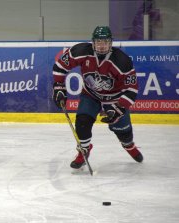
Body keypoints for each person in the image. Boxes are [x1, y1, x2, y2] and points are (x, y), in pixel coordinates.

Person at [52, 26, 143, 169]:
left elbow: (131, 89)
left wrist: (119, 108)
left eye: (105, 42)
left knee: (124, 132)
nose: (102, 46)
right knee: (82, 121)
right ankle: (84, 150)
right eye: (99, 42)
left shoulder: (122, 61)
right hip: (91, 95)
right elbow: (60, 66)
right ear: (93, 42)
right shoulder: (80, 51)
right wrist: (59, 87)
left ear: (111, 43)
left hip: (115, 99)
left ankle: (128, 145)